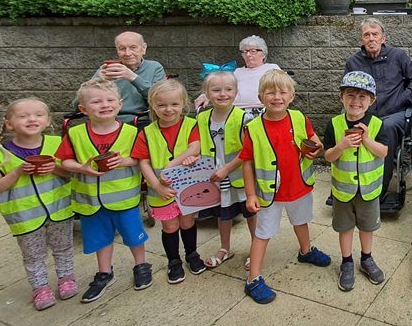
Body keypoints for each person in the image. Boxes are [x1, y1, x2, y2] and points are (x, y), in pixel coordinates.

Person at [57, 78, 152, 303]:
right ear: (83, 109)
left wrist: (125, 161)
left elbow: (141, 158)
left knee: (133, 236)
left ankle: (141, 264)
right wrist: (81, 168)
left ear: (120, 104)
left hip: (124, 200)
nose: (104, 105)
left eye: (110, 100)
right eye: (97, 101)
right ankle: (104, 272)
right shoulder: (75, 134)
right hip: (90, 201)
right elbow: (63, 161)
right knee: (100, 239)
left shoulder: (131, 132)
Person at [241, 70, 330, 304]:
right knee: (262, 233)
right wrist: (250, 194)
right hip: (269, 193)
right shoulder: (253, 128)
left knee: (301, 220)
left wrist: (316, 147)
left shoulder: (299, 117)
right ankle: (253, 279)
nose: (277, 97)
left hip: (299, 186)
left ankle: (306, 251)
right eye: (270, 92)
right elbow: (247, 163)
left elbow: (314, 139)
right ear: (261, 97)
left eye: (283, 92)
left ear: (292, 96)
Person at [0, 98, 76, 310]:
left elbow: (69, 173)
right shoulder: (1, 156)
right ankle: (40, 288)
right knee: (33, 255)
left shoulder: (56, 144)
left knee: (63, 247)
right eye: (23, 116)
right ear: (9, 124)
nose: (32, 119)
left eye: (38, 115)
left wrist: (54, 168)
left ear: (47, 121)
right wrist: (16, 172)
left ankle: (66, 279)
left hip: (59, 210)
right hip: (25, 216)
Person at [343, 18, 412, 211]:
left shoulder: (398, 56)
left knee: (385, 128)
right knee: (348, 126)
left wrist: (401, 99)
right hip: (365, 113)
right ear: (361, 39)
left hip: (396, 114)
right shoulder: (353, 62)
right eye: (366, 35)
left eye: (375, 34)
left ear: (383, 37)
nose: (371, 38)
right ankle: (350, 187)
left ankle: (378, 192)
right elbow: (347, 90)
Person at [133, 80, 206, 284]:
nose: (168, 109)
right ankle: (174, 261)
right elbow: (143, 162)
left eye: (174, 104)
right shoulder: (146, 133)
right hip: (162, 190)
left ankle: (192, 254)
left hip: (188, 188)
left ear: (183, 103)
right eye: (162, 105)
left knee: (188, 222)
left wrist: (174, 165)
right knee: (170, 226)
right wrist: (155, 186)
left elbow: (194, 148)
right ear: (152, 106)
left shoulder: (191, 124)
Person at [323, 71, 389, 291]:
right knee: (345, 228)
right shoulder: (333, 125)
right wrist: (341, 146)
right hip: (342, 191)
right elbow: (328, 156)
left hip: (369, 191)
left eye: (362, 97)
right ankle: (347, 261)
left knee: (367, 227)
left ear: (371, 100)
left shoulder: (379, 124)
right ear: (342, 97)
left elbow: (384, 152)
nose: (356, 101)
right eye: (350, 95)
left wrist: (367, 139)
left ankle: (367, 258)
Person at [198, 70, 257, 270]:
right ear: (206, 92)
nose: (223, 94)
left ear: (236, 91)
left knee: (250, 213)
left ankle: (256, 247)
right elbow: (198, 145)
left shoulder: (244, 118)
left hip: (240, 176)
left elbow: (248, 150)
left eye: (228, 89)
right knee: (223, 213)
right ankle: (225, 248)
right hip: (215, 178)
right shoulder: (202, 118)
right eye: (216, 90)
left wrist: (228, 168)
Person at [81, 31, 167, 121]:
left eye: (133, 47)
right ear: (117, 51)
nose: (127, 53)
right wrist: (97, 79)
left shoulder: (154, 67)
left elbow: (163, 99)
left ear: (143, 48)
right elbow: (78, 104)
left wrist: (133, 77)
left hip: (141, 121)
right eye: (122, 48)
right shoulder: (108, 70)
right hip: (107, 121)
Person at [194, 35, 281, 118]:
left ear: (264, 54)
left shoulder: (272, 68)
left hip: (263, 110)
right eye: (245, 51)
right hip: (236, 112)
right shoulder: (236, 72)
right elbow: (219, 85)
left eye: (253, 51)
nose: (248, 55)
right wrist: (205, 95)